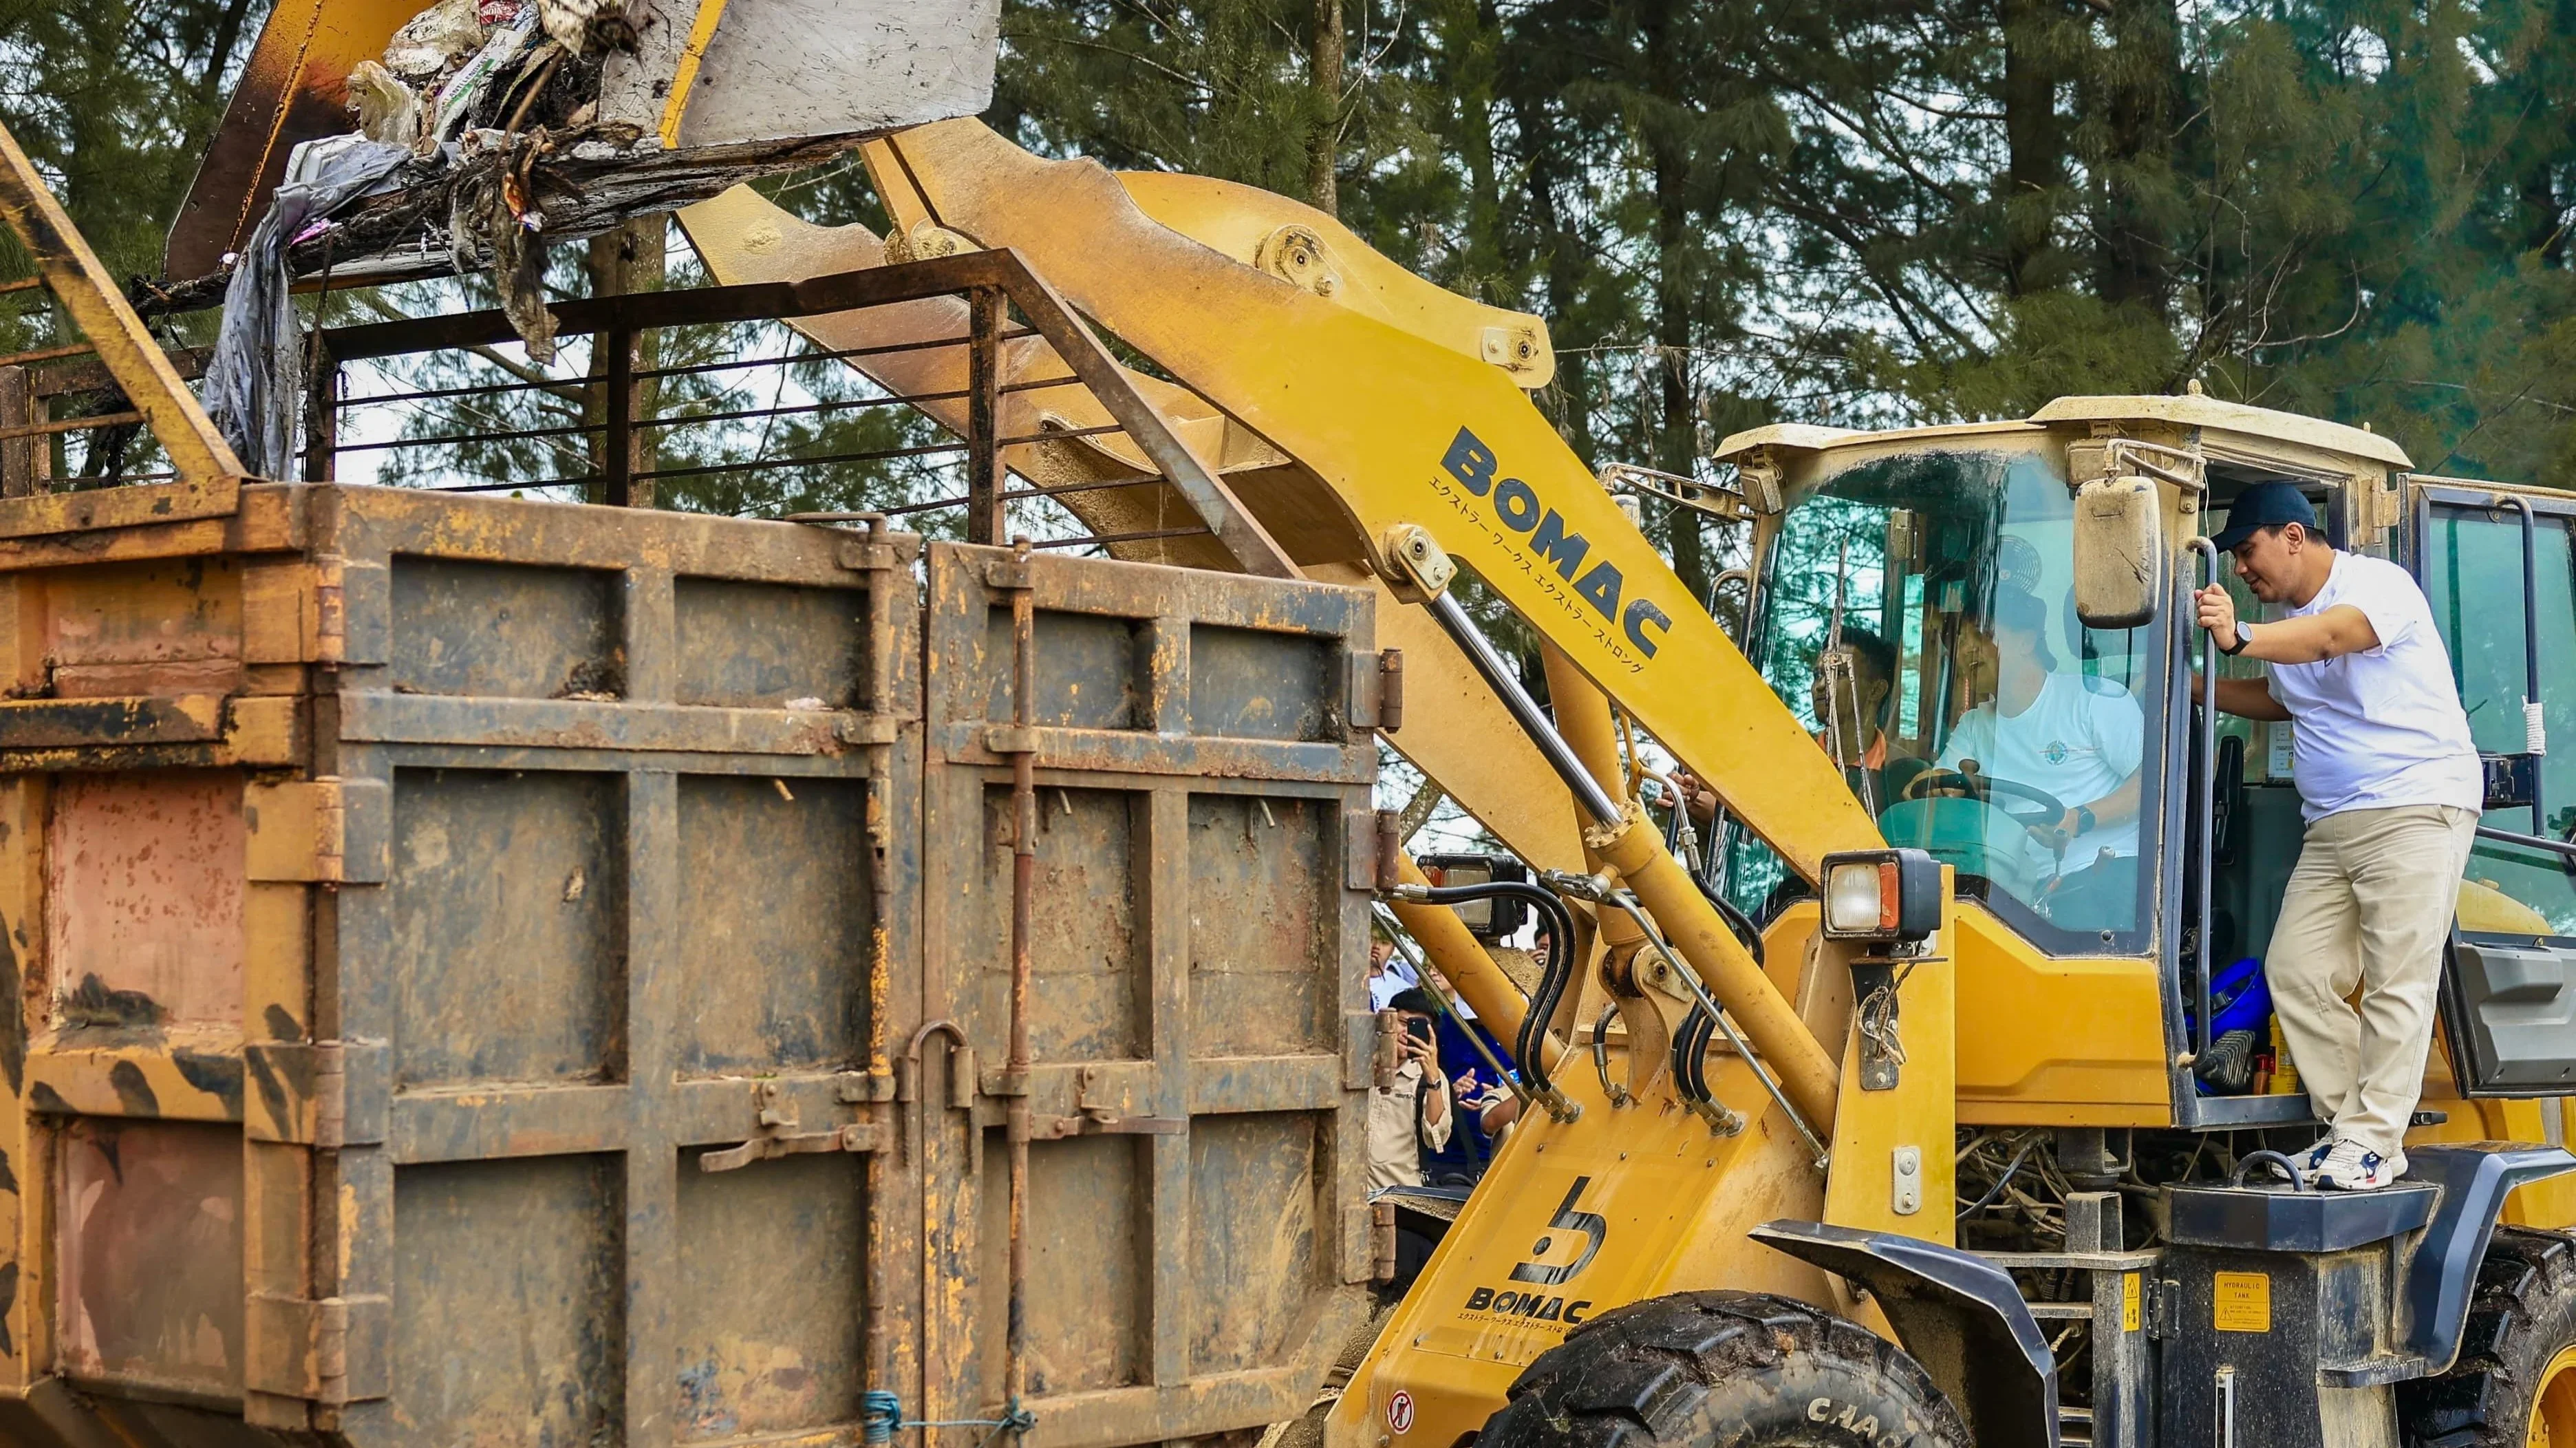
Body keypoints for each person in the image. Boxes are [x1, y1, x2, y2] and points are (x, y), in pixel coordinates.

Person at [2193, 481, 2481, 1191]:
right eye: (2230, 558)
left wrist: (2240, 637)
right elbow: (2279, 697)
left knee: (2394, 984)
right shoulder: (2286, 623)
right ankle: (2352, 1129)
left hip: (2415, 808)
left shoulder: (2377, 586)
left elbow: (2329, 637)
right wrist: (2196, 688)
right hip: (2332, 825)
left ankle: (2375, 1139)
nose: (2240, 569)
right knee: (2294, 970)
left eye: (2247, 550)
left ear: (2294, 536)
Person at [1924, 583, 2145, 893]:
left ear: (2027, 640)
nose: (1965, 650)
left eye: (1982, 635)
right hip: (2012, 888)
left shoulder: (2093, 700)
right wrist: (1927, 785)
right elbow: (1938, 783)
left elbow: (2154, 783)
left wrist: (2079, 819)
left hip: (2104, 878)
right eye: (1959, 641)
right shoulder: (1974, 725)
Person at [1675, 626, 1901, 824]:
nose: (1821, 686)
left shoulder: (1906, 775)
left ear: (1876, 690)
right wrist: (1691, 797)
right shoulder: (1791, 764)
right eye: (1817, 675)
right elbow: (1751, 813)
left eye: (1837, 674)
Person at [1368, 988, 1454, 1191]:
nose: (1407, 1034)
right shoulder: (1360, 1064)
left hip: (1398, 1199)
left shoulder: (1429, 1078)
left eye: (1417, 1028)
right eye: (1404, 1023)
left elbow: (1437, 1138)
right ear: (1388, 1020)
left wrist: (1433, 1078)